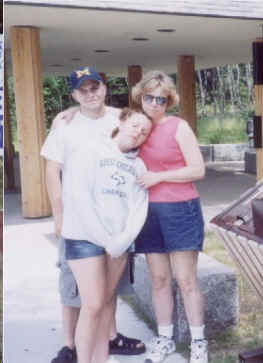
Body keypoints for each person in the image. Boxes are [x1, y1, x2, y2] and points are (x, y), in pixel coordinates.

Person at [41, 67, 146, 363]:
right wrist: (58, 213)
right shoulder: (65, 126)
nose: (90, 94)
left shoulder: (118, 119)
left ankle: (107, 344)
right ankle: (70, 346)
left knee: (105, 297)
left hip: (113, 224)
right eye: (82, 90)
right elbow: (52, 169)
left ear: (104, 88)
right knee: (78, 292)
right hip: (79, 224)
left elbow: (140, 124)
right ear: (74, 94)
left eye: (95, 87)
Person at [130, 70, 208, 363]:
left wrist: (158, 177)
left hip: (180, 209)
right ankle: (164, 338)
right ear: (141, 97)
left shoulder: (178, 126)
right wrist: (70, 116)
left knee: (186, 280)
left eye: (161, 99)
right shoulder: (136, 126)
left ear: (169, 101)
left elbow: (198, 170)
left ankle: (199, 343)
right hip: (147, 212)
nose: (154, 103)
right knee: (160, 280)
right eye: (149, 97)